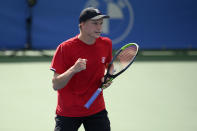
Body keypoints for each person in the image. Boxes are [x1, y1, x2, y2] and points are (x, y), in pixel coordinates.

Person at [50, 7, 113, 131]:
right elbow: (56, 84)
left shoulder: (106, 44)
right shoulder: (65, 48)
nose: (99, 27)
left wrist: (107, 77)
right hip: (68, 111)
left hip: (96, 108)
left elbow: (109, 65)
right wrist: (73, 69)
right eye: (95, 23)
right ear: (82, 25)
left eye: (101, 23)